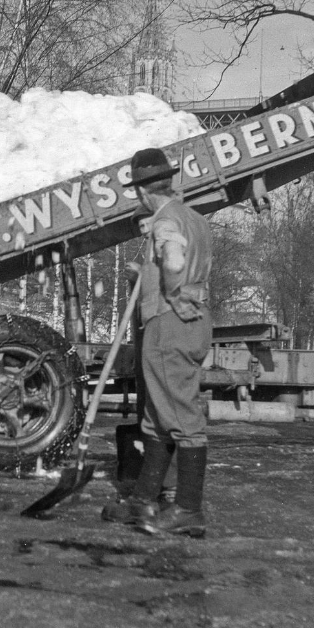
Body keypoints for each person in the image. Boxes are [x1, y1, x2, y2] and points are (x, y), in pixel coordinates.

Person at [100, 147, 213, 538]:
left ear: (141, 191)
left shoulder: (165, 220)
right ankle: (144, 500)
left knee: (180, 416)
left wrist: (171, 288)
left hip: (170, 323)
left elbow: (175, 260)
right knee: (159, 416)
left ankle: (188, 510)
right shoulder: (195, 218)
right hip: (192, 321)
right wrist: (145, 273)